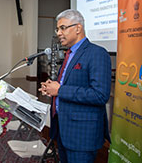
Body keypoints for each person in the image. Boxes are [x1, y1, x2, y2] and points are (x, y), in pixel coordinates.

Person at [39, 9, 111, 163]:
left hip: (82, 134)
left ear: (78, 28)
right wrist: (52, 89)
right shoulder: (69, 54)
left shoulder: (97, 53)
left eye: (63, 28)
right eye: (57, 29)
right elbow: (67, 85)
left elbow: (100, 95)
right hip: (63, 130)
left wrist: (60, 90)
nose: (59, 33)